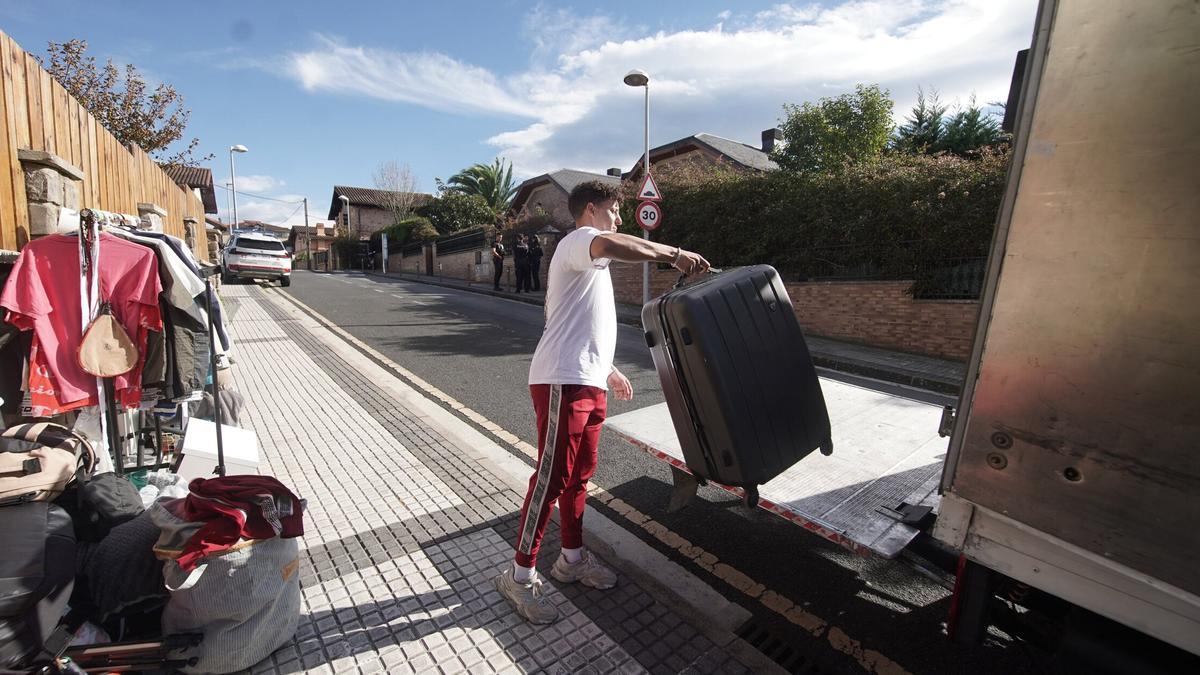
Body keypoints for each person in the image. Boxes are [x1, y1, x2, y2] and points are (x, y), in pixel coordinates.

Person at [493, 180, 710, 624]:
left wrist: (606, 368)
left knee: (578, 478)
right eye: (614, 210)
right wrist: (672, 253)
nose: (619, 218)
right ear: (590, 210)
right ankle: (517, 577)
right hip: (561, 381)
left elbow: (567, 320)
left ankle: (571, 561)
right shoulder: (581, 240)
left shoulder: (590, 264)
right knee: (551, 479)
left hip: (587, 379)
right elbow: (612, 240)